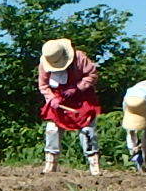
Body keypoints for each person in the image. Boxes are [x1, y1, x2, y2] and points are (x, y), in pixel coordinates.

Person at [37, 37, 101, 175]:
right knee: (52, 129)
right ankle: (50, 164)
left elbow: (92, 74)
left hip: (81, 98)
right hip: (58, 100)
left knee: (87, 130)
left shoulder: (80, 58)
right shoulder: (45, 63)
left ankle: (94, 165)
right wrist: (51, 98)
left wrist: (77, 87)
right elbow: (43, 85)